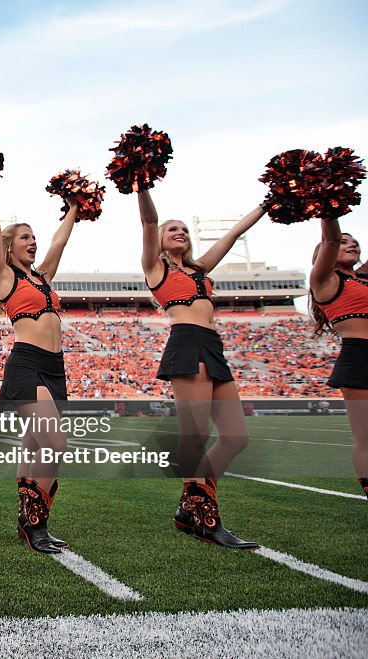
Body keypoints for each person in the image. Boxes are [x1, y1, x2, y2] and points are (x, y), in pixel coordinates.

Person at [138, 188, 263, 549]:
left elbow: (234, 233)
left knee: (236, 437)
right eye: (171, 229)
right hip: (186, 344)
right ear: (160, 240)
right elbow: (148, 220)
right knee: (195, 436)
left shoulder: (200, 268)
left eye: (184, 230)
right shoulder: (155, 268)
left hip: (213, 346)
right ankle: (206, 519)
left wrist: (269, 202)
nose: (180, 232)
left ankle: (189, 506)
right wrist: (141, 182)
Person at [0, 182, 80, 554]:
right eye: (25, 237)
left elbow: (59, 243)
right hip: (27, 364)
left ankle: (29, 521)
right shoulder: (6, 276)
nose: (33, 242)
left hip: (55, 367)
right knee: (55, 443)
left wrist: (74, 207)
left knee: (35, 446)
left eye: (34, 237)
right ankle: (36, 522)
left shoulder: (43, 277)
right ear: (10, 246)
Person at [308, 225, 368, 500]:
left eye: (355, 242)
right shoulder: (325, 280)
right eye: (344, 242)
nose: (351, 244)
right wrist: (327, 197)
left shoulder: (363, 278)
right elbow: (330, 236)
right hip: (359, 357)